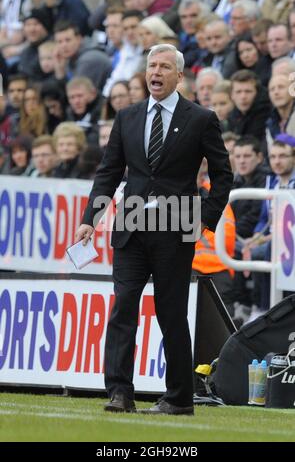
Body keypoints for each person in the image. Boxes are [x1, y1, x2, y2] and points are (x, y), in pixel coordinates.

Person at [75, 44, 233, 416]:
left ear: (180, 75)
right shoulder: (127, 116)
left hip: (176, 230)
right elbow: (109, 173)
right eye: (151, 66)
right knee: (123, 307)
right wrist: (90, 218)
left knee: (171, 314)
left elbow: (223, 176)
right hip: (131, 227)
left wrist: (203, 223)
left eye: (164, 66)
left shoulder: (200, 118)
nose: (155, 72)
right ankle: (119, 391)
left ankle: (178, 398)